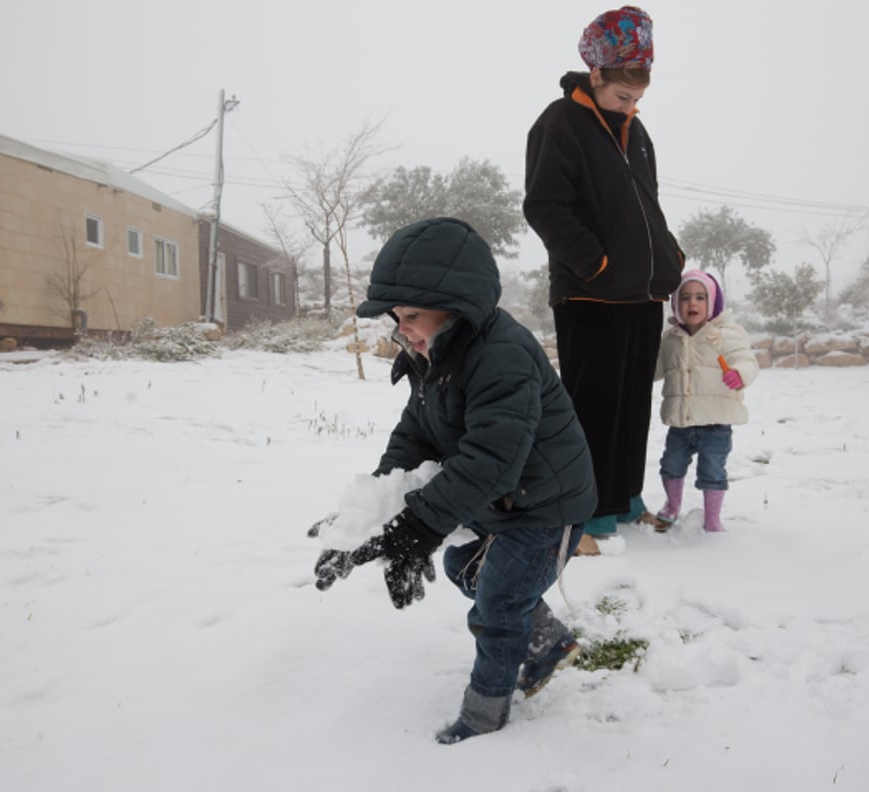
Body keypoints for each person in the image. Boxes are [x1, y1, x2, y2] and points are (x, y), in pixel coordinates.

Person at [317, 217, 596, 745]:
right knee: (463, 566)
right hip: (507, 502)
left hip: (547, 504)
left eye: (413, 315)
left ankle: (486, 714)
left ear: (459, 302)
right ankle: (551, 644)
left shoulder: (503, 355)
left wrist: (419, 524)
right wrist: (369, 513)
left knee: (498, 606)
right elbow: (415, 435)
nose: (404, 330)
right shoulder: (433, 356)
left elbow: (492, 459)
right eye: (398, 318)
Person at [524, 5, 684, 551]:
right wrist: (595, 263)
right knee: (590, 407)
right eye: (623, 97)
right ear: (597, 75)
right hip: (590, 293)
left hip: (642, 294)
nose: (632, 106)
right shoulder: (560, 123)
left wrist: (668, 257)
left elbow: (648, 207)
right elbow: (545, 206)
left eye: (639, 99)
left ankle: (624, 498)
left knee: (633, 403)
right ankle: (583, 511)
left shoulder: (637, 134)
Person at [653, 269, 759, 531]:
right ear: (676, 304)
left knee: (712, 470)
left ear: (712, 302)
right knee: (671, 464)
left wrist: (740, 374)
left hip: (716, 422)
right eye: (686, 298)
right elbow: (655, 367)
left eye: (700, 297)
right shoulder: (671, 339)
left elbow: (748, 361)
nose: (693, 303)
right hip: (681, 419)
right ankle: (672, 505)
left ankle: (712, 518)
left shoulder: (726, 334)